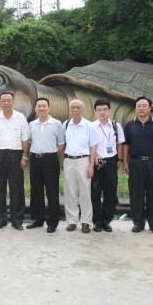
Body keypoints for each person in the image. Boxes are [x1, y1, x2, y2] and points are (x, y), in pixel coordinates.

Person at [124, 97, 153, 235]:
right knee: (136, 194)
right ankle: (138, 223)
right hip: (135, 162)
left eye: (144, 106)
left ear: (149, 108)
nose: (141, 108)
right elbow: (126, 145)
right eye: (138, 106)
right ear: (135, 108)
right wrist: (125, 161)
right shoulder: (130, 125)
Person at [0, 91, 29, 230]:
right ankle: (0, 219)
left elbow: (25, 139)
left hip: (16, 155)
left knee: (16, 187)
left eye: (8, 100)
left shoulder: (20, 117)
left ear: (13, 102)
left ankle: (17, 220)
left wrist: (24, 156)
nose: (6, 103)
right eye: (3, 100)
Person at [26, 98, 65, 233]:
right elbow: (29, 141)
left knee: (52, 191)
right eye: (39, 106)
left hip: (51, 160)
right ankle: (37, 219)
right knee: (36, 191)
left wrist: (52, 155)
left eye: (44, 106)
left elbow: (61, 144)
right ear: (35, 108)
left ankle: (53, 222)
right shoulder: (32, 124)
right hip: (35, 159)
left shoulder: (56, 123)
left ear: (49, 108)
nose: (41, 108)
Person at [62, 99, 99, 233]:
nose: (76, 110)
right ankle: (72, 221)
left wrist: (91, 166)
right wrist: (62, 162)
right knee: (69, 191)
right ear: (70, 110)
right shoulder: (65, 125)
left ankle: (86, 222)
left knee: (85, 192)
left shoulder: (89, 126)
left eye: (78, 107)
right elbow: (63, 145)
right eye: (73, 108)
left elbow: (93, 147)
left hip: (84, 160)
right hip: (68, 161)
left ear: (83, 109)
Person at [89, 98, 125, 233]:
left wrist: (119, 160)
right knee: (95, 194)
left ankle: (106, 221)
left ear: (109, 110)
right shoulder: (91, 126)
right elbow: (88, 145)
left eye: (104, 109)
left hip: (111, 161)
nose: (102, 112)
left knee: (111, 194)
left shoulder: (116, 126)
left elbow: (120, 143)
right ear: (95, 111)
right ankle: (97, 221)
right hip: (97, 162)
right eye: (99, 110)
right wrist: (94, 159)